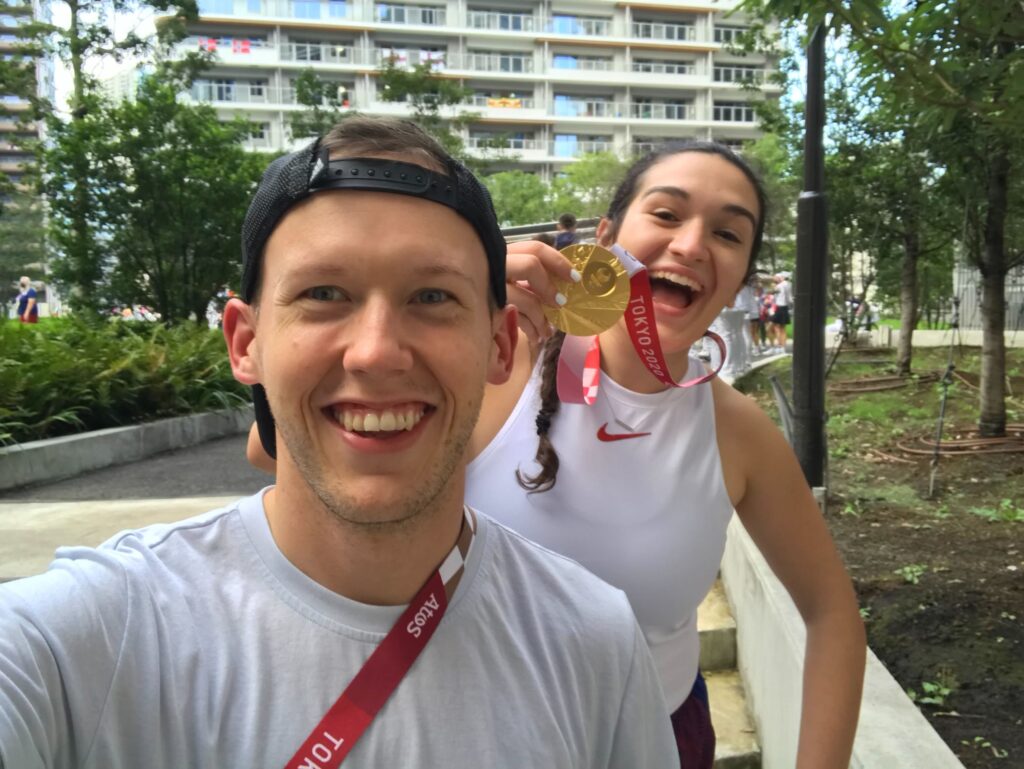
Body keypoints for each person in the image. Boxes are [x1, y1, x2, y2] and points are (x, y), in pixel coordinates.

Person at [0, 118, 680, 769]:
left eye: (433, 297)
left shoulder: (594, 641)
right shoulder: (87, 642)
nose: (377, 352)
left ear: (501, 345)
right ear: (245, 342)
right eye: (324, 293)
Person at [248, 139, 867, 767]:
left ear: (741, 277)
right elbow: (270, 451)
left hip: (658, 739)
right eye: (667, 214)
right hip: (464, 736)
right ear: (605, 238)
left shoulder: (737, 432)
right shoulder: (502, 362)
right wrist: (457, 310)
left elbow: (830, 611)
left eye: (729, 235)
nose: (692, 245)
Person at [770, 271, 793, 352]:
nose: (775, 279)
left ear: (781, 277)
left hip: (779, 307)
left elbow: (771, 292)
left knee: (776, 327)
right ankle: (783, 347)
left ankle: (780, 345)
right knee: (782, 327)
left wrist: (772, 286)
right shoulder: (788, 284)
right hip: (785, 307)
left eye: (776, 277)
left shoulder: (780, 285)